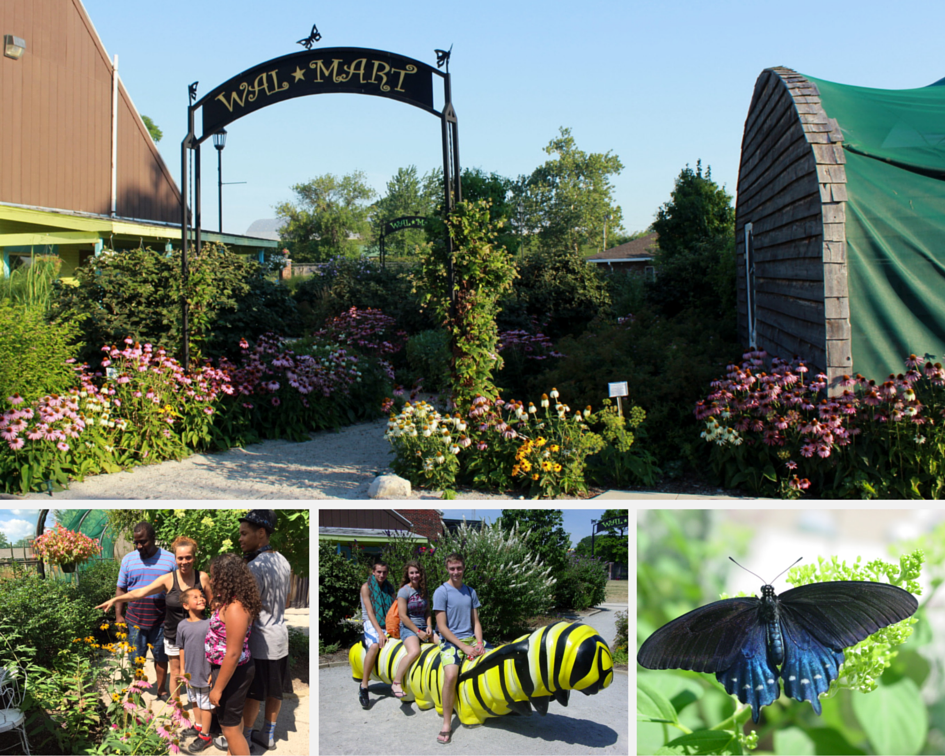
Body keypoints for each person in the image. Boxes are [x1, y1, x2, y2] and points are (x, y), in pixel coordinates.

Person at [98, 535, 213, 704]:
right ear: (175, 559)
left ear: (194, 557)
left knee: (200, 671)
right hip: (174, 635)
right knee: (176, 673)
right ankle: (177, 710)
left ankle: (204, 710)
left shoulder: (202, 578)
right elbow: (140, 592)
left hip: (199, 637)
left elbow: (213, 604)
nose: (184, 562)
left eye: (188, 557)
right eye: (180, 558)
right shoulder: (168, 579)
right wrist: (116, 600)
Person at [238, 510, 292, 752]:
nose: (240, 539)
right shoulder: (283, 561)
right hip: (280, 638)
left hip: (260, 641)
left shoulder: (254, 566)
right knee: (275, 690)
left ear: (261, 533)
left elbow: (248, 610)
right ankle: (268, 734)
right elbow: (288, 601)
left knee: (253, 693)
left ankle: (246, 737)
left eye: (244, 533)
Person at [205, 553, 261, 756]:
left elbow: (233, 653)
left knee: (229, 729)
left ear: (227, 577)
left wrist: (218, 689)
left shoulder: (236, 608)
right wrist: (216, 671)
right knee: (234, 723)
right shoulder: (231, 602)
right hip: (227, 670)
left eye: (215, 576)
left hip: (234, 671)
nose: (212, 580)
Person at [112, 522, 176, 699]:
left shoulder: (170, 559)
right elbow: (121, 589)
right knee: (136, 657)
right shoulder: (128, 560)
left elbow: (178, 587)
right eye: (136, 542)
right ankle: (138, 685)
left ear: (154, 539)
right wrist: (119, 615)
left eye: (144, 542)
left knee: (161, 657)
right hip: (135, 620)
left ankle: (161, 689)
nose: (139, 546)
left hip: (161, 621)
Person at [432, 552, 486, 745]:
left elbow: (476, 622)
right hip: (450, 642)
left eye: (459, 568)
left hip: (471, 639)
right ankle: (447, 723)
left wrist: (479, 643)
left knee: (496, 659)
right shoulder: (441, 592)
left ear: (464, 568)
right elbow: (442, 627)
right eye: (452, 568)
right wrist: (463, 647)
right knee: (451, 676)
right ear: (447, 569)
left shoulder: (471, 591)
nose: (456, 572)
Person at [175, 588, 214, 754]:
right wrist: (183, 668)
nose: (201, 599)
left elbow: (215, 649)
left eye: (202, 596)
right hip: (190, 673)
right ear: (185, 605)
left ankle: (206, 735)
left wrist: (213, 671)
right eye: (195, 597)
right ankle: (198, 726)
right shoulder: (182, 625)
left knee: (206, 705)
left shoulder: (211, 623)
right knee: (194, 700)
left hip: (205, 672)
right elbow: (181, 647)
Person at [391, 560, 435, 699]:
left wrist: (429, 626)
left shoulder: (424, 591)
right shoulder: (404, 591)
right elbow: (403, 616)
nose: (415, 575)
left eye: (417, 572)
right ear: (407, 574)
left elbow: (427, 611)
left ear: (421, 574)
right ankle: (396, 682)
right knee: (415, 651)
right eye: (412, 573)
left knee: (443, 643)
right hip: (409, 628)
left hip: (424, 627)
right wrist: (418, 632)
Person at [358, 558, 395, 709]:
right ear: (373, 572)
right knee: (374, 645)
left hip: (387, 621)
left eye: (384, 572)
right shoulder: (366, 587)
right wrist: (380, 632)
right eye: (379, 572)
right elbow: (370, 612)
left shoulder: (389, 587)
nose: (381, 575)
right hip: (371, 622)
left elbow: (394, 607)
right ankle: (364, 686)